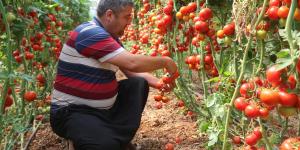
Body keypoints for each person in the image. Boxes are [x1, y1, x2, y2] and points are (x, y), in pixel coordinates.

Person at [49, 0, 178, 150]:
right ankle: (100, 139)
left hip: (100, 113)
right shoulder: (90, 33)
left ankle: (113, 138)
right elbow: (132, 63)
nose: (130, 22)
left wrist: (159, 83)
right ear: (109, 15)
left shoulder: (110, 38)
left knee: (137, 84)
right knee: (106, 146)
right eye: (127, 17)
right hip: (71, 113)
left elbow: (131, 71)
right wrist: (165, 61)